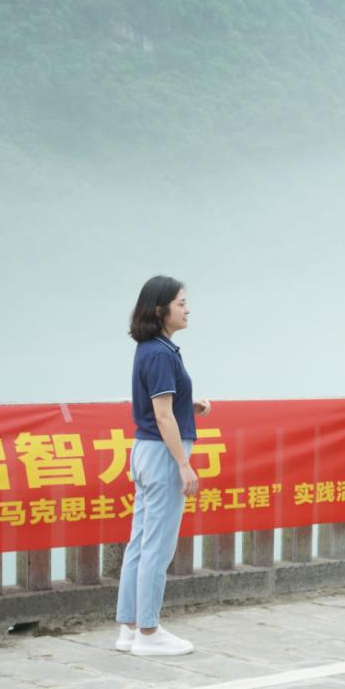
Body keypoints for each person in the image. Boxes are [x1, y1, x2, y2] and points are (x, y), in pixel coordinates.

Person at [114, 275, 211, 656]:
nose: (187, 309)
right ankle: (149, 632)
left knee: (140, 542)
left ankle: (130, 627)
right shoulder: (160, 354)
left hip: (146, 450)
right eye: (181, 303)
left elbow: (165, 408)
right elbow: (162, 415)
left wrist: (191, 406)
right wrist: (183, 465)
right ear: (160, 310)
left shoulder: (152, 349)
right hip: (162, 455)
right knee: (157, 546)